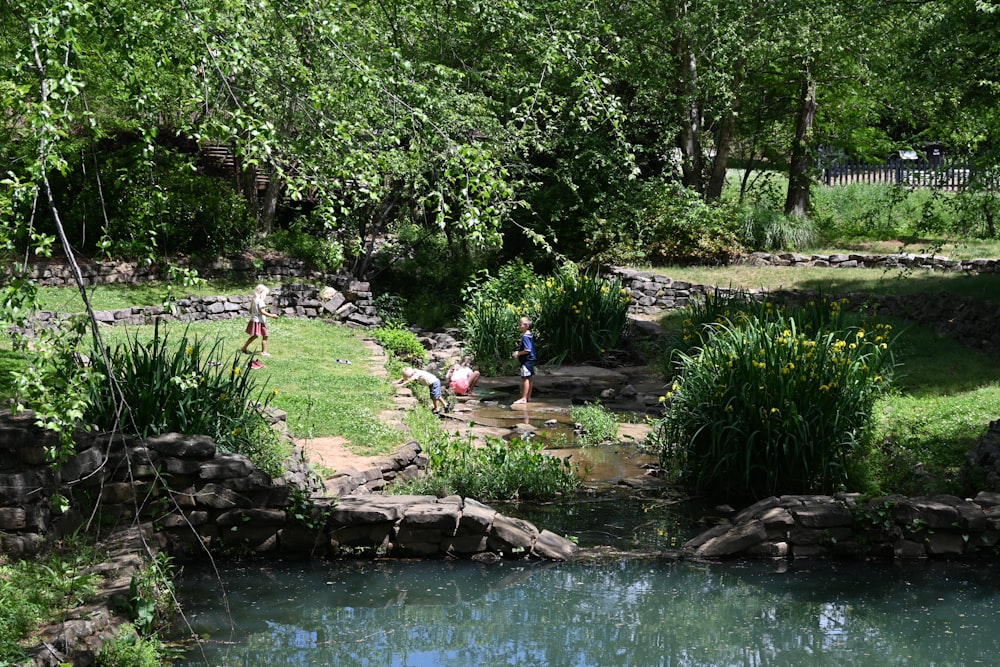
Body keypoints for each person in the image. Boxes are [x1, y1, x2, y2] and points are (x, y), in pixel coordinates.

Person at [240, 284, 280, 357]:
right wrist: (272, 316)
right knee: (265, 335)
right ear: (261, 292)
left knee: (255, 336)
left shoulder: (254, 300)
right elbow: (262, 312)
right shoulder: (260, 301)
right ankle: (264, 352)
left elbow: (250, 310)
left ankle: (244, 348)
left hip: (254, 321)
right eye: (265, 293)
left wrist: (255, 315)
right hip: (259, 322)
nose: (265, 295)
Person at [511, 316, 536, 405]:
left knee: (525, 378)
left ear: (526, 326)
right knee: (530, 378)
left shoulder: (525, 336)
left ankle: (524, 398)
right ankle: (528, 397)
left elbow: (527, 349)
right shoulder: (530, 334)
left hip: (526, 360)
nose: (519, 326)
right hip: (531, 359)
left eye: (520, 324)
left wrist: (518, 353)